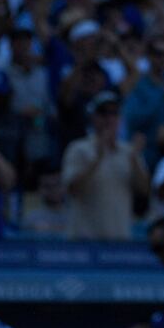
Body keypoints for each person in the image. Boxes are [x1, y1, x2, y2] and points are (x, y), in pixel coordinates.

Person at [61, 91, 150, 240]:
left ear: (120, 118)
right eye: (103, 113)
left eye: (114, 113)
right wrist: (97, 159)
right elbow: (73, 189)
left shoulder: (130, 152)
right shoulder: (78, 148)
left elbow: (144, 191)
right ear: (93, 117)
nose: (109, 118)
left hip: (119, 241)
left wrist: (134, 160)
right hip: (84, 241)